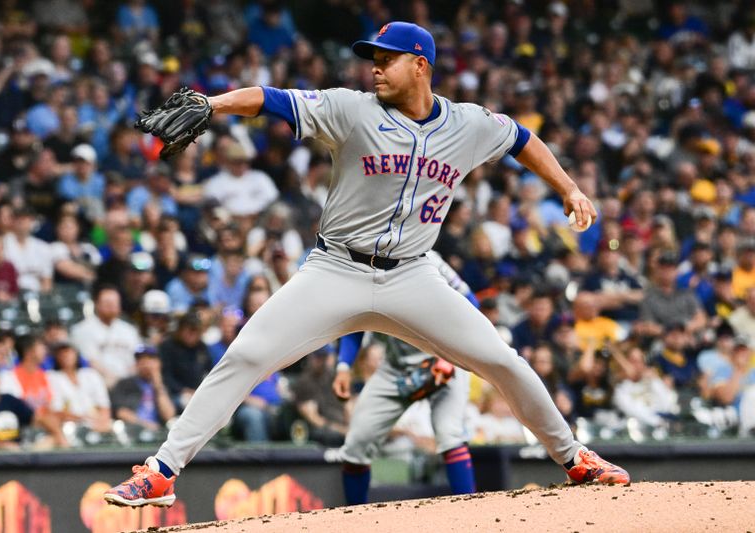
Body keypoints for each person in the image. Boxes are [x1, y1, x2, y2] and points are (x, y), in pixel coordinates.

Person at [105, 22, 628, 508]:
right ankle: (161, 471)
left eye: (387, 59)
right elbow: (269, 99)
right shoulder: (350, 109)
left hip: (412, 275)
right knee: (245, 356)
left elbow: (521, 139)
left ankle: (574, 458)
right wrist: (212, 103)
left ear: (420, 65)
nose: (374, 67)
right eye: (372, 59)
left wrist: (570, 188)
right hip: (336, 270)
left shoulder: (467, 123)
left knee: (503, 362)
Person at [332, 251, 478, 505]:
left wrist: (455, 351)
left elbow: (470, 302)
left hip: (442, 357)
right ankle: (353, 520)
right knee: (356, 445)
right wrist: (343, 366)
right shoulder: (364, 267)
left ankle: (473, 518)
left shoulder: (430, 259)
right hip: (396, 368)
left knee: (450, 434)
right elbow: (356, 322)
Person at [70, 285, 141, 387]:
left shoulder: (130, 330)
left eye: (114, 303)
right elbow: (89, 361)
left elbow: (137, 360)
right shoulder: (82, 329)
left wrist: (126, 380)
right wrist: (114, 380)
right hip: (98, 382)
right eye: (107, 303)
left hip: (129, 383)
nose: (111, 306)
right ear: (97, 304)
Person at [110, 345, 176, 432]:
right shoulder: (124, 383)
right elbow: (121, 412)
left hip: (159, 433)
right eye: (140, 359)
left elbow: (169, 416)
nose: (145, 363)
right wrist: (145, 425)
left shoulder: (164, 385)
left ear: (159, 363)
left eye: (150, 359)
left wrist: (158, 385)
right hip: (133, 431)